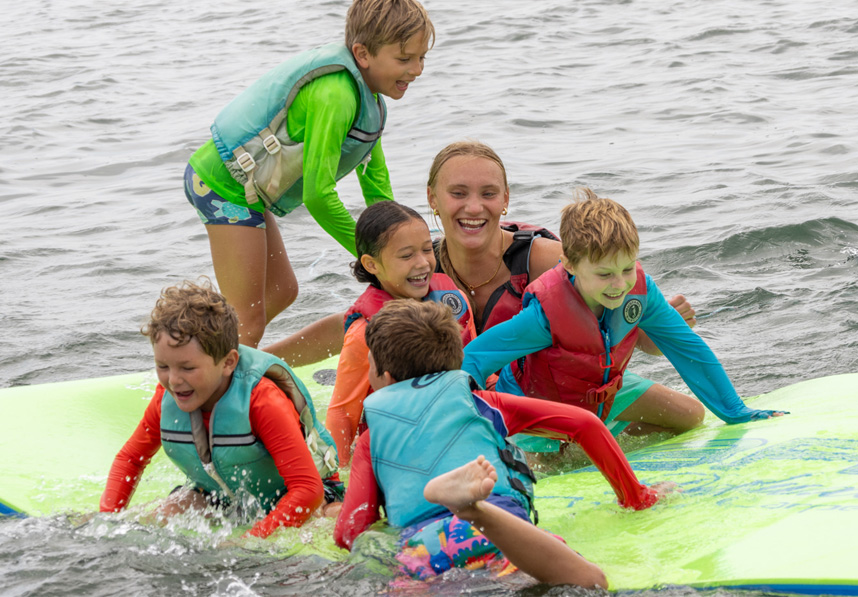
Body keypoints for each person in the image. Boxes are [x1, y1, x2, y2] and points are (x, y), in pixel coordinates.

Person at [334, 300, 675, 587]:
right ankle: (471, 508)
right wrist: (636, 496)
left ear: (386, 379)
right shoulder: (481, 402)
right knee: (587, 583)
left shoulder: (371, 439)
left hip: (424, 547)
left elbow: (350, 532)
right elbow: (586, 424)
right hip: (500, 530)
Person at [184, 0, 434, 347]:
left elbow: (377, 191)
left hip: (243, 192)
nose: (417, 69)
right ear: (362, 54)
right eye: (405, 59)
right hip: (221, 186)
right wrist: (379, 259)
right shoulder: (337, 96)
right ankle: (206, 382)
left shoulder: (369, 102)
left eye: (422, 58)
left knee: (282, 291)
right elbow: (317, 195)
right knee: (249, 317)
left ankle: (209, 358)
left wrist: (397, 246)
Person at [428, 140, 704, 442]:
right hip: (480, 401)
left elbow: (618, 335)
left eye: (488, 193)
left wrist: (665, 326)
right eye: (458, 193)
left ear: (505, 199)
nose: (473, 207)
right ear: (433, 198)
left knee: (689, 416)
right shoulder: (419, 273)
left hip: (558, 390)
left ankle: (582, 444)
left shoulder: (549, 260)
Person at [462, 189, 787, 431]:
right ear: (570, 264)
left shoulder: (640, 292)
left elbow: (687, 348)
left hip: (599, 393)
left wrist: (736, 411)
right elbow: (473, 360)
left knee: (692, 416)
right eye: (604, 274)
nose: (620, 284)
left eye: (627, 268)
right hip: (539, 402)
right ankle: (565, 441)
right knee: (539, 467)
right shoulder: (544, 316)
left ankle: (603, 433)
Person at [100, 281, 341, 538]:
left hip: (306, 493)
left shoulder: (261, 402)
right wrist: (109, 517)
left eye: (187, 368)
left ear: (228, 362)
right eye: (163, 366)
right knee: (163, 513)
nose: (173, 380)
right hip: (219, 495)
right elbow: (130, 459)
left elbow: (307, 489)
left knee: (326, 518)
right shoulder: (165, 398)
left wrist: (249, 541)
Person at [324, 201, 475, 464]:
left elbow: (477, 366)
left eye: (427, 250)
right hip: (399, 444)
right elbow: (342, 413)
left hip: (456, 427)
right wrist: (338, 479)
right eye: (406, 256)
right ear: (371, 264)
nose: (423, 264)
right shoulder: (366, 333)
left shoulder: (453, 301)